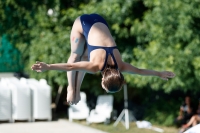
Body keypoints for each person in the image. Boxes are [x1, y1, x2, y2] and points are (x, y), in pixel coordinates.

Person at [31, 13, 175, 105]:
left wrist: (159, 74)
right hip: (82, 23)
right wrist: (48, 67)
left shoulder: (121, 66)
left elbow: (139, 71)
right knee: (76, 56)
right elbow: (70, 66)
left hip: (100, 20)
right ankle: (72, 88)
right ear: (102, 81)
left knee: (85, 58)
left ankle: (76, 90)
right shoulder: (96, 66)